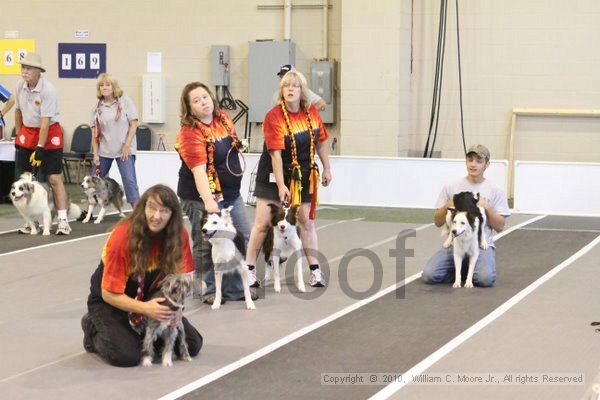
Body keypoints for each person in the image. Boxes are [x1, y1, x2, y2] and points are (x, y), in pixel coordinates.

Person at [81, 184, 203, 367]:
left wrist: (177, 308)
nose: (156, 216)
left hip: (152, 296)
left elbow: (184, 279)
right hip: (110, 300)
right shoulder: (122, 236)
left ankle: (137, 332)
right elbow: (108, 293)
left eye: (164, 211)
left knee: (192, 345)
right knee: (127, 356)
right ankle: (92, 326)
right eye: (152, 208)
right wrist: (145, 309)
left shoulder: (179, 236)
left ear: (173, 215)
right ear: (142, 208)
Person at [247, 70, 332, 288]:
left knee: (306, 221)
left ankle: (315, 271)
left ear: (303, 90)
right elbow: (275, 154)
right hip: (274, 175)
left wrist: (326, 168)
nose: (290, 89)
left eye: (294, 86)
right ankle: (249, 270)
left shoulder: (311, 112)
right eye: (286, 86)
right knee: (263, 223)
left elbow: (321, 142)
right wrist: (282, 185)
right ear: (281, 91)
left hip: (303, 175)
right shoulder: (274, 116)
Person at [175, 82, 254, 305]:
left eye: (205, 97)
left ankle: (235, 288)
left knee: (241, 235)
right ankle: (208, 289)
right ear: (189, 108)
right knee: (206, 241)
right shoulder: (189, 134)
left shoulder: (224, 119)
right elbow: (199, 172)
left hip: (230, 193)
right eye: (196, 100)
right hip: (199, 196)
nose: (203, 102)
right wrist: (210, 203)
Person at [421, 144, 511, 287]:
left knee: (485, 279)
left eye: (478, 161)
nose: (473, 164)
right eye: (470, 160)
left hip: (480, 245)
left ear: (487, 164)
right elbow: (437, 221)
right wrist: (447, 205)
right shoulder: (451, 187)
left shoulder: (495, 191)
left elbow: (500, 226)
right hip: (456, 243)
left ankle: (469, 266)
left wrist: (486, 206)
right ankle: (462, 268)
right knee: (429, 275)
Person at [14, 52, 71, 235]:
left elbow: (45, 123)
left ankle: (62, 220)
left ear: (38, 71)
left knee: (53, 178)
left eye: (29, 68)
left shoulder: (48, 90)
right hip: (28, 131)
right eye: (23, 67)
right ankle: (32, 221)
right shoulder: (19, 86)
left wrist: (39, 147)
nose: (25, 71)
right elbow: (17, 112)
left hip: (49, 132)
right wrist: (20, 136)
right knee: (27, 177)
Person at [90, 73, 140, 206]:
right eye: (101, 85)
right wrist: (95, 154)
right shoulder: (96, 107)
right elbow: (94, 133)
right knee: (93, 180)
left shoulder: (125, 101)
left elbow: (133, 124)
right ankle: (88, 211)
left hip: (124, 149)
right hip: (104, 150)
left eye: (107, 85)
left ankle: (137, 211)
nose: (104, 87)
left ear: (114, 87)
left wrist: (127, 145)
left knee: (129, 181)